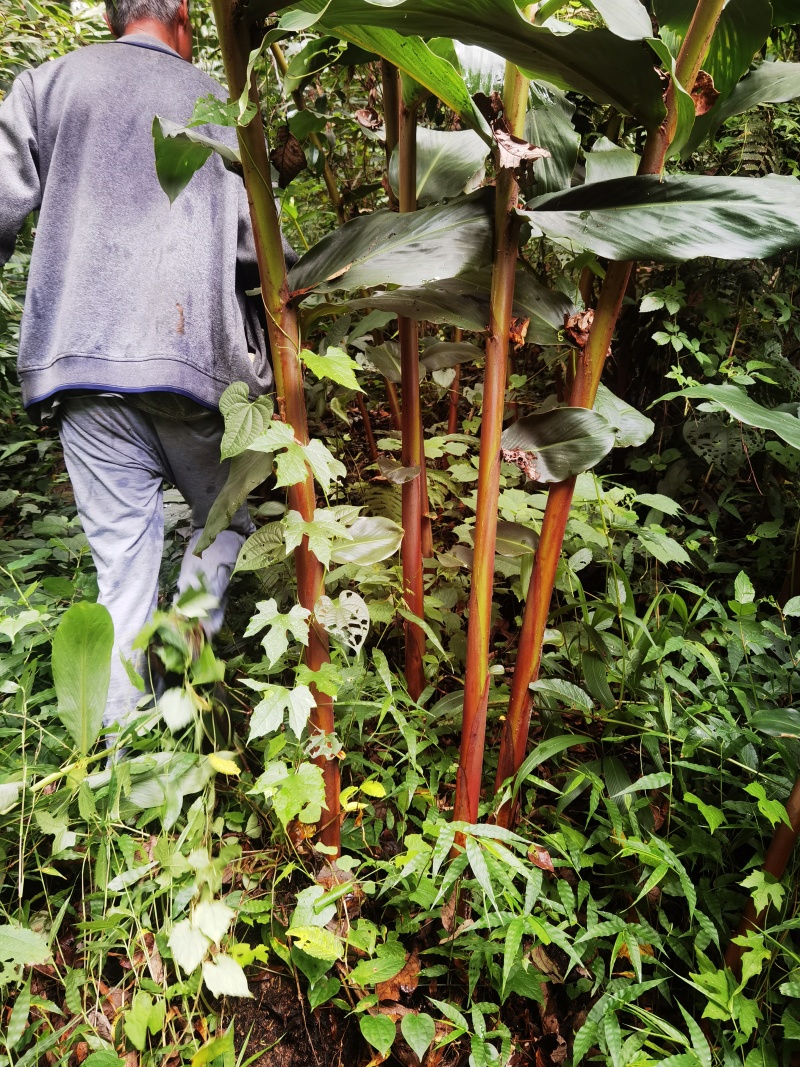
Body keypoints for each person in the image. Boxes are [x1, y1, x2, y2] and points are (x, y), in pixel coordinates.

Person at [0, 0, 290, 731]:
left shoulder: (51, 83)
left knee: (122, 574)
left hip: (83, 365)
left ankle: (125, 766)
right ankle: (182, 670)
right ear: (185, 17)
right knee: (225, 526)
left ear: (111, 17)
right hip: (199, 368)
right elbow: (261, 257)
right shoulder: (220, 105)